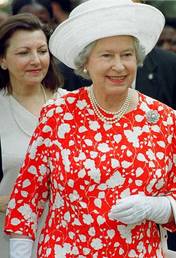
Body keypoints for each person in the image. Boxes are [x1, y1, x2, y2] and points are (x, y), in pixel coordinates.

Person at [3, 1, 176, 257]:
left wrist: (155, 207)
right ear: (86, 62)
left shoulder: (164, 119)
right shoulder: (58, 114)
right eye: (107, 55)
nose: (118, 66)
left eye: (126, 55)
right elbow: (27, 196)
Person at [0, 13, 65, 257]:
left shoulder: (71, 106)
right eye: (23, 52)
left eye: (42, 50)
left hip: (68, 239)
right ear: (3, 60)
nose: (36, 60)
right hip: (9, 239)